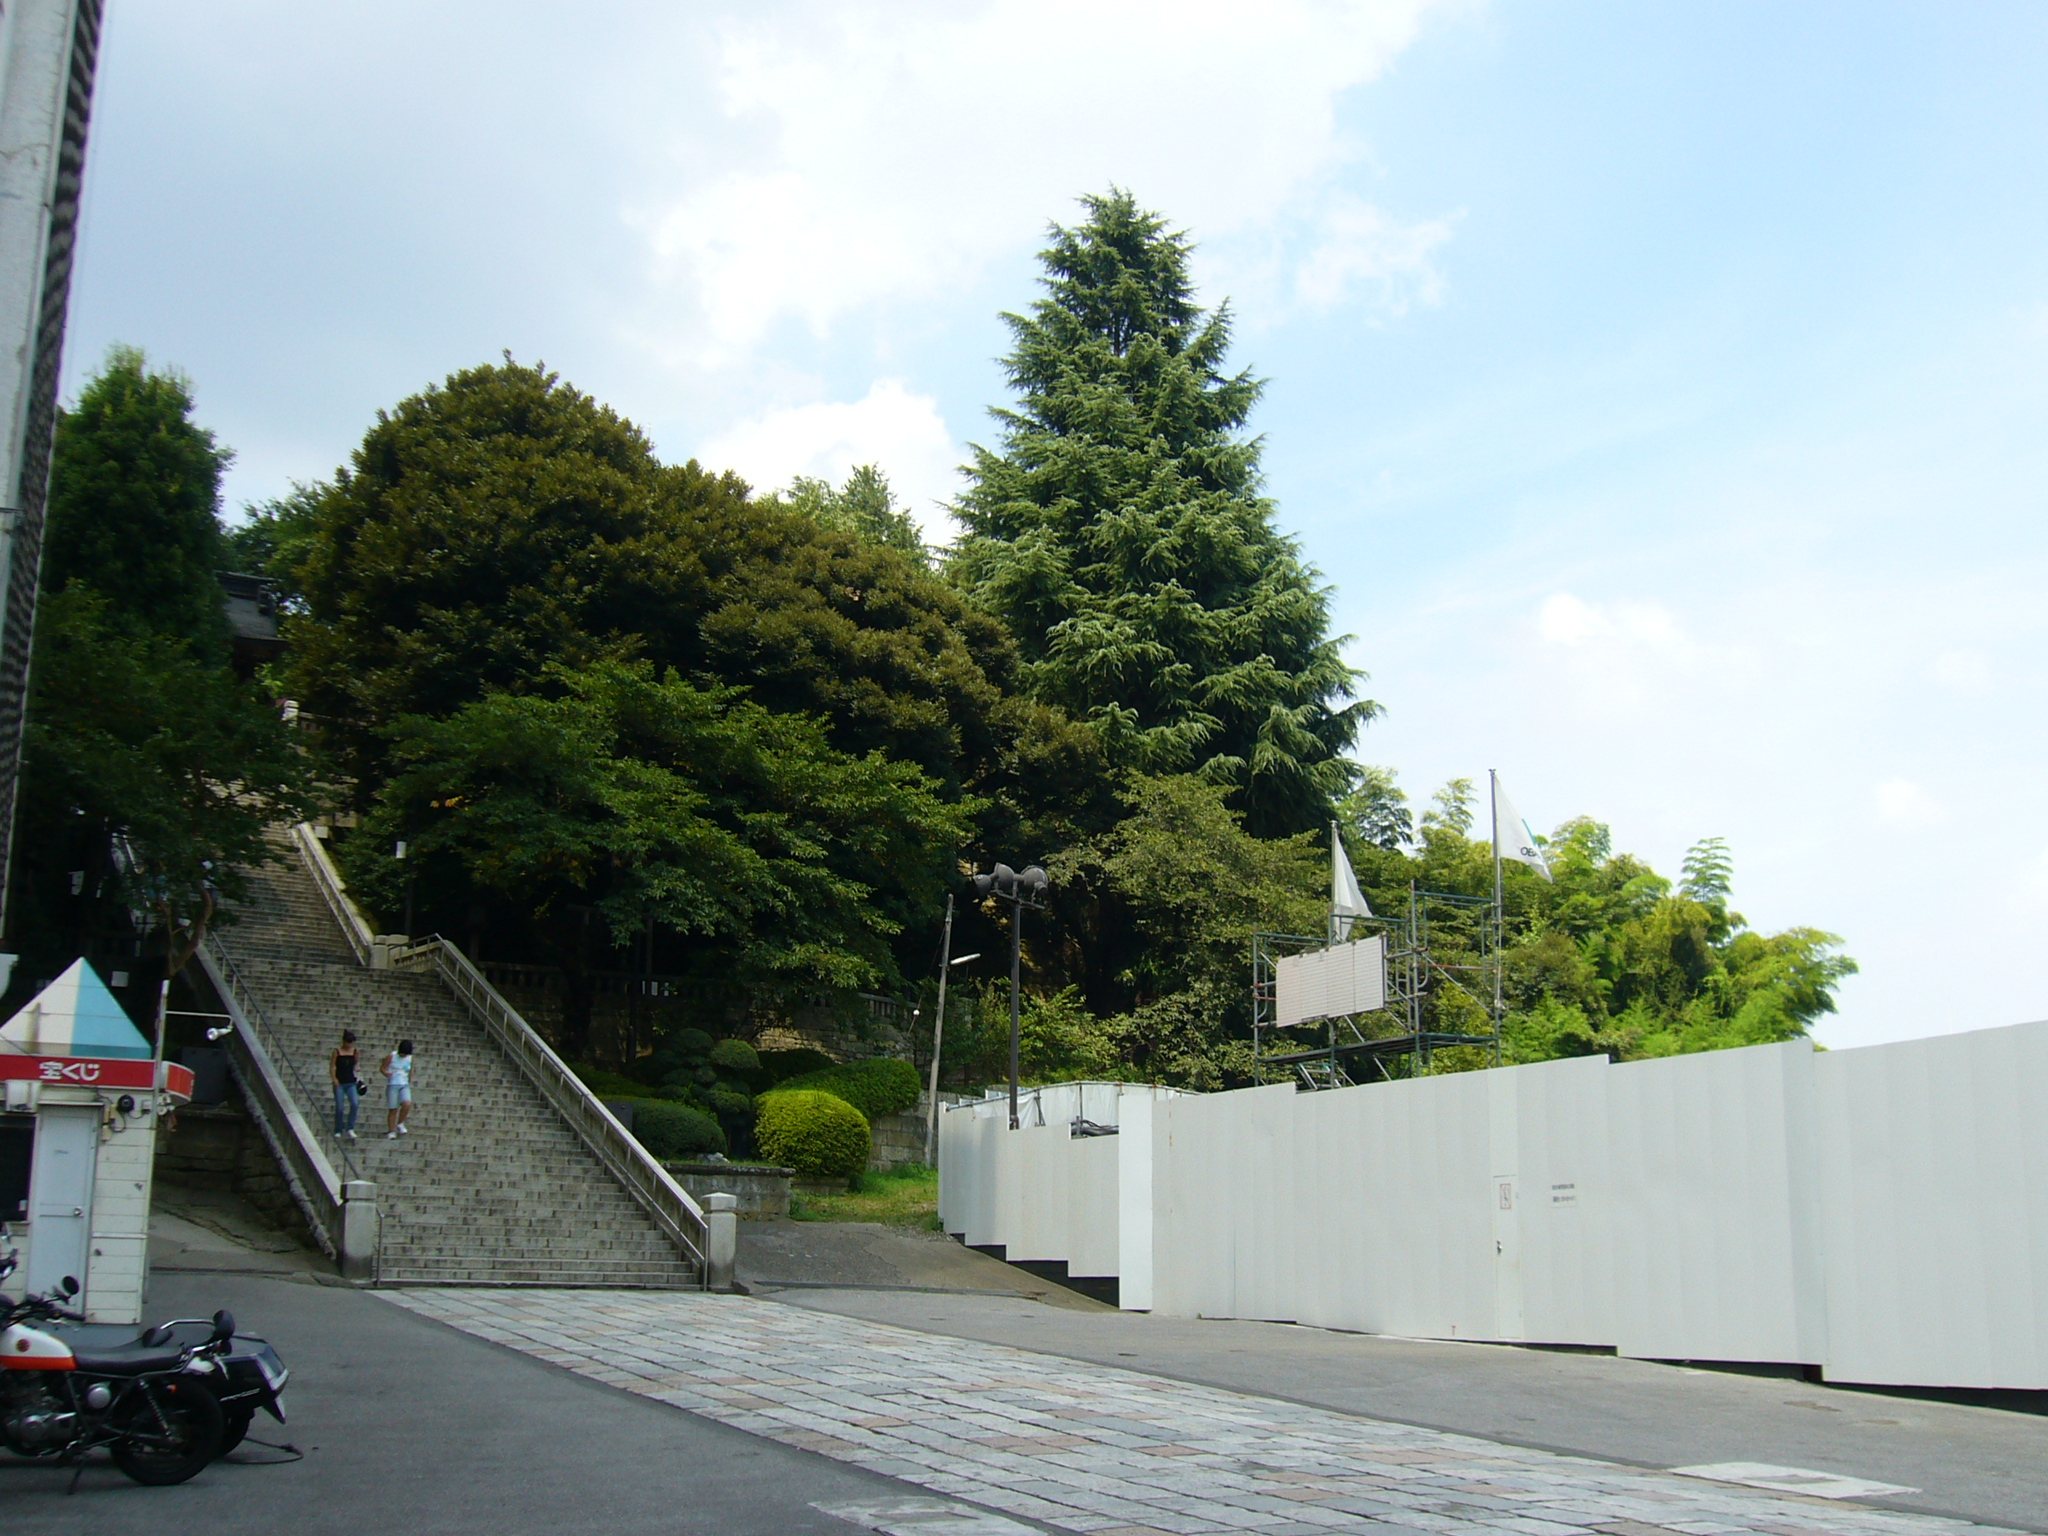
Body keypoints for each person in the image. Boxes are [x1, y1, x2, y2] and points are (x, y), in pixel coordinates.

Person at [330, 1030, 362, 1139]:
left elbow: (356, 1063)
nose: (349, 1045)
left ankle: (350, 1127)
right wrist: (334, 1079)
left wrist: (357, 1068)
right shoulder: (337, 1052)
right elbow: (333, 1066)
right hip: (340, 1082)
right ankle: (338, 1128)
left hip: (351, 1082)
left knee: (354, 1103)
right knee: (339, 1106)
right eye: (348, 1042)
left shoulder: (355, 1052)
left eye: (351, 1043)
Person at [382, 1039, 415, 1139]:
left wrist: (409, 1080)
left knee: (407, 1103)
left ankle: (400, 1123)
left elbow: (410, 1070)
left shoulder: (410, 1058)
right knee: (393, 1109)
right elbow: (383, 1067)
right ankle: (391, 1131)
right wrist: (386, 1073)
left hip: (404, 1084)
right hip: (393, 1084)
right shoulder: (392, 1056)